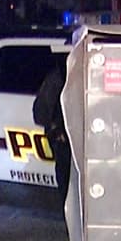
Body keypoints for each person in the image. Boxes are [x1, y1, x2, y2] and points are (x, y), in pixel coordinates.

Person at [32, 63, 71, 201]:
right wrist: (57, 130)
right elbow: (40, 112)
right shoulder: (58, 76)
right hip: (65, 145)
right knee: (68, 191)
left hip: (85, 145)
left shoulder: (91, 72)